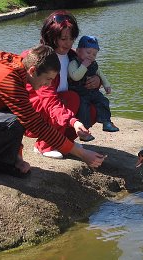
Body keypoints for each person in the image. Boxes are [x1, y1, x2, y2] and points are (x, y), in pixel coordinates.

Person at [0, 45, 105, 178]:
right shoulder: (9, 80)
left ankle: (1, 162)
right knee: (16, 121)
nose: (48, 85)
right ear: (33, 70)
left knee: (16, 118)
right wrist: (82, 154)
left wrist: (17, 158)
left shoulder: (19, 66)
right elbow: (35, 124)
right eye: (48, 79)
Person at [23, 10, 101, 159]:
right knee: (72, 98)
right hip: (35, 114)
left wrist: (96, 82)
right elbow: (49, 101)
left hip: (60, 109)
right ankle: (44, 145)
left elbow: (90, 72)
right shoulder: (40, 59)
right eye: (63, 38)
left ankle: (64, 142)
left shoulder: (73, 55)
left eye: (72, 38)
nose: (68, 43)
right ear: (51, 37)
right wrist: (72, 120)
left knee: (92, 108)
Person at [68, 35, 119, 133]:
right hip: (79, 92)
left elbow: (100, 74)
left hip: (92, 92)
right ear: (78, 51)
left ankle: (106, 121)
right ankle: (84, 128)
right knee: (84, 106)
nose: (91, 56)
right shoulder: (74, 63)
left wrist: (106, 85)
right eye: (88, 52)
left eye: (94, 54)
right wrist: (84, 66)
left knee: (103, 101)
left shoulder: (93, 64)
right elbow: (75, 77)